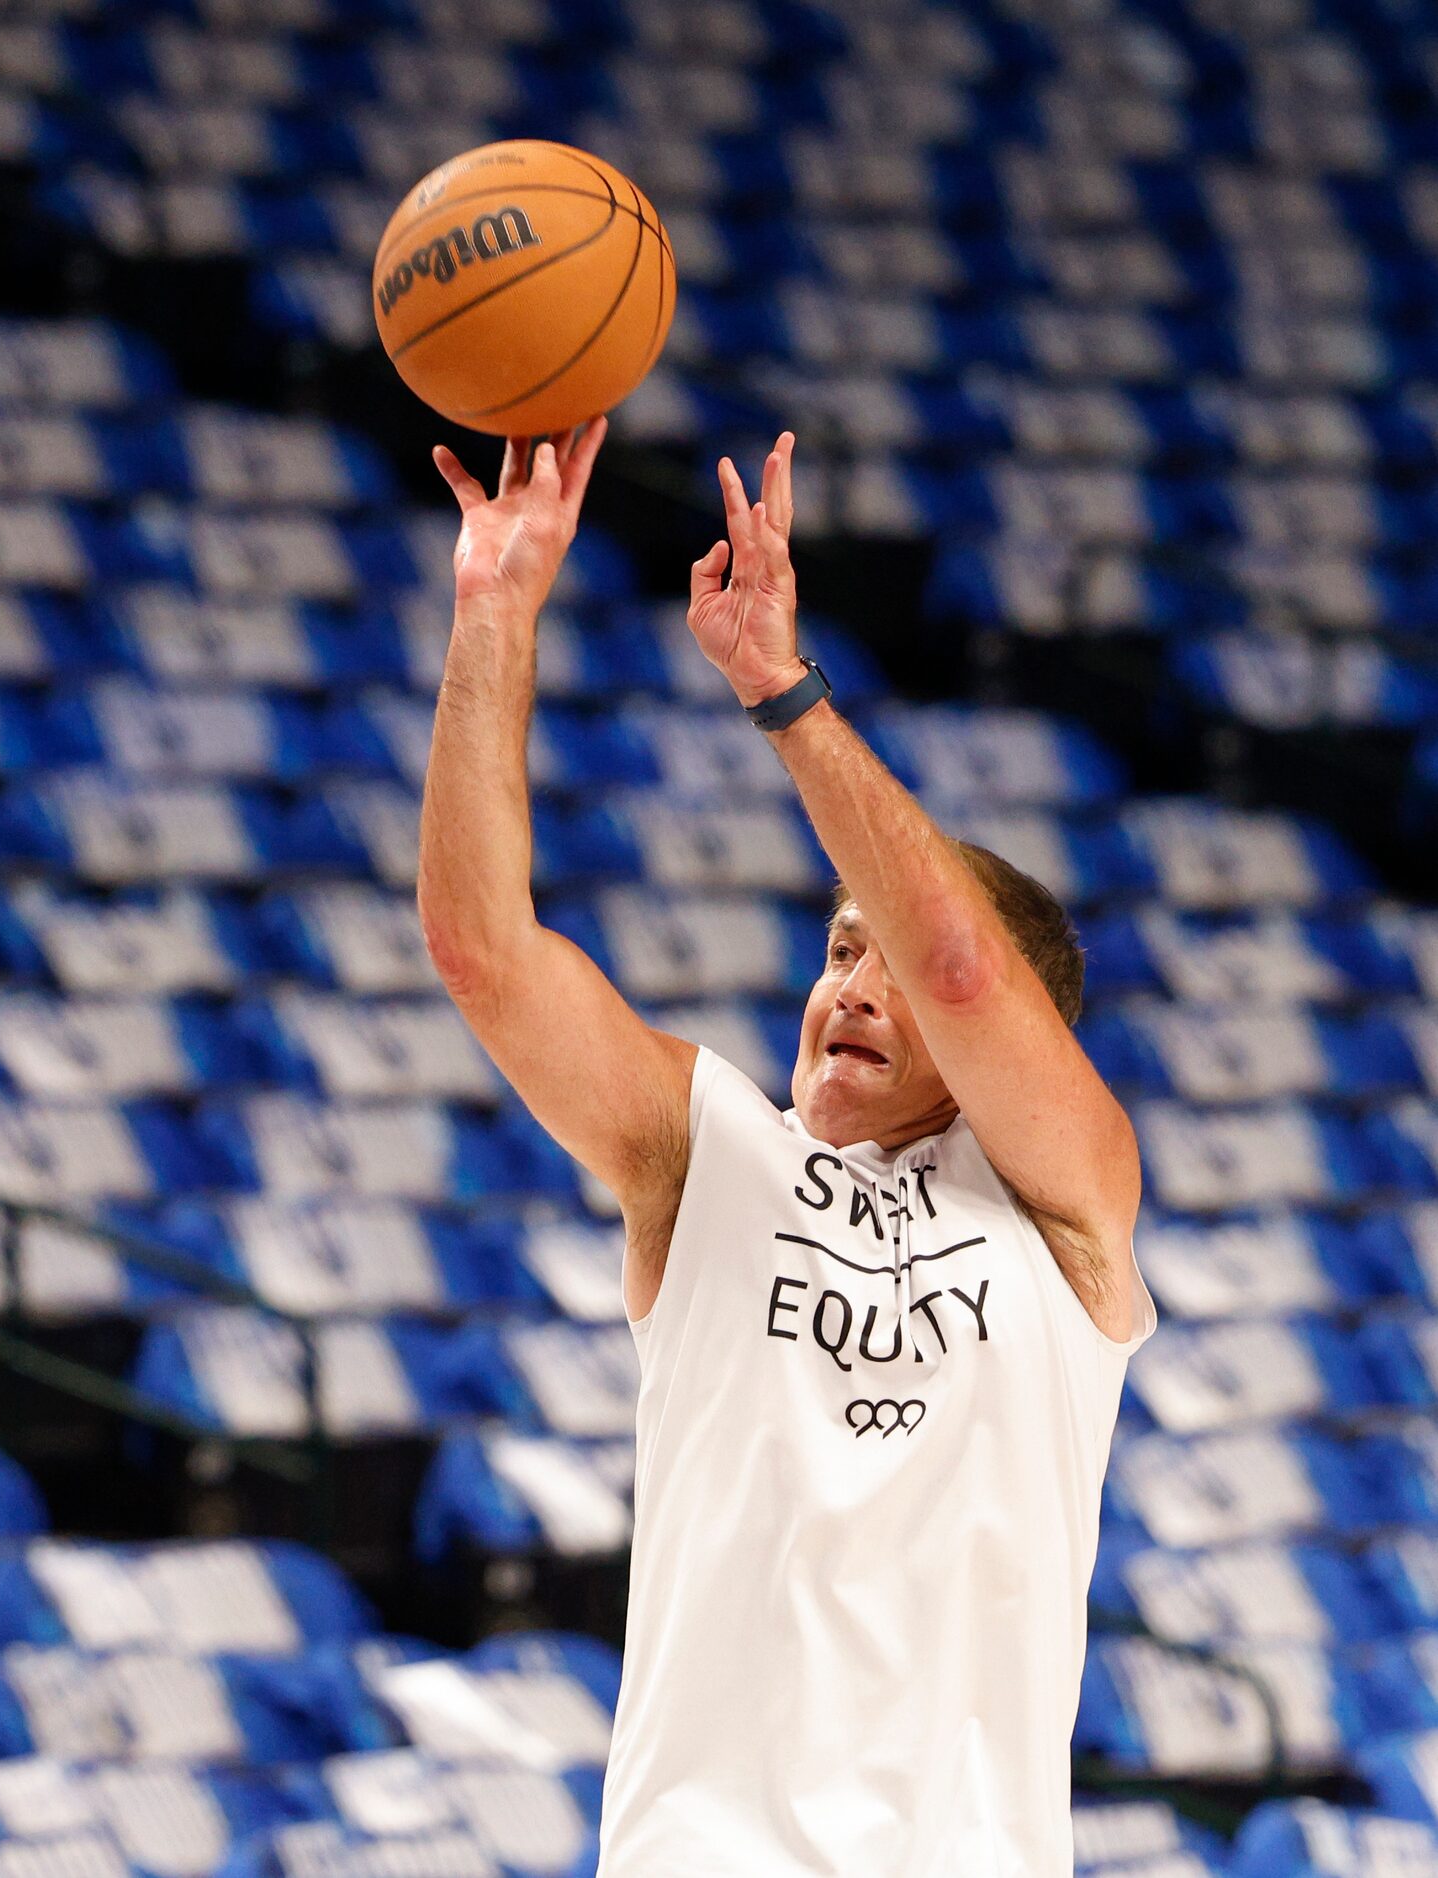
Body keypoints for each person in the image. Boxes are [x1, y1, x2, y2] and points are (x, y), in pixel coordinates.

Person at [420, 416, 1157, 1878]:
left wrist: (777, 687)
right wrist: (495, 608)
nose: (852, 985)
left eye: (886, 953)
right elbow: (484, 955)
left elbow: (961, 971)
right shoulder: (711, 1154)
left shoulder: (1072, 1210)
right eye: (835, 947)